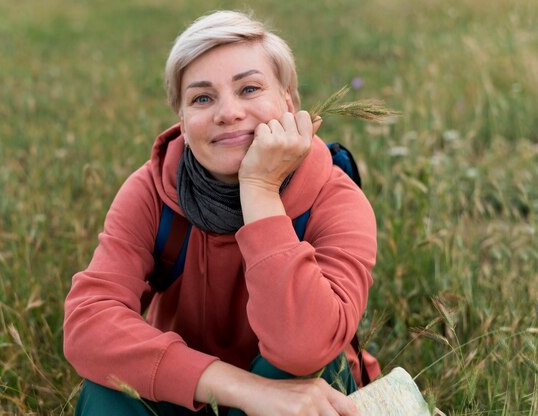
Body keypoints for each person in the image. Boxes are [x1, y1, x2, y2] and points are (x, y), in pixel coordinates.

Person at [64, 9, 378, 416]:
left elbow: (304, 348)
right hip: (188, 388)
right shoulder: (154, 189)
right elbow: (89, 324)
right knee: (105, 394)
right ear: (182, 119)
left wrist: (261, 189)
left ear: (289, 101)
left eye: (249, 89)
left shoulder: (334, 195)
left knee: (296, 368)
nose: (227, 112)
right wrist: (243, 389)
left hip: (300, 396)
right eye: (202, 98)